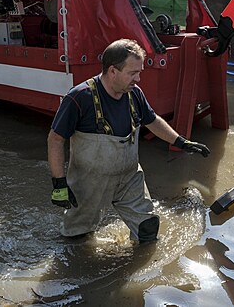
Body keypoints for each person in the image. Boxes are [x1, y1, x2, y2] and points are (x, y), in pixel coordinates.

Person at [47, 39, 210, 243]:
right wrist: (59, 183)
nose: (139, 79)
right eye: (133, 73)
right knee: (76, 239)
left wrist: (181, 142)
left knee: (148, 229)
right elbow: (55, 139)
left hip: (129, 178)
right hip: (90, 182)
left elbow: (152, 121)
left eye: (139, 72)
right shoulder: (80, 97)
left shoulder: (134, 94)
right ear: (113, 71)